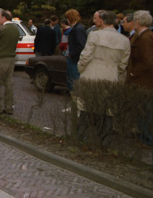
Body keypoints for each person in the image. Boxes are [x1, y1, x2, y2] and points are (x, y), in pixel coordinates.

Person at [77, 11, 131, 145]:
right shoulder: (124, 40)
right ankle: (105, 141)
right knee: (108, 110)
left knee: (87, 108)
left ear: (103, 21)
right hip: (111, 75)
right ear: (115, 22)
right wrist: (114, 72)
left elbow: (86, 55)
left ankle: (83, 139)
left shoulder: (95, 35)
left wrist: (81, 68)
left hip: (92, 72)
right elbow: (123, 64)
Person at [125, 10, 153, 146]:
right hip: (144, 80)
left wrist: (132, 74)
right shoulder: (144, 36)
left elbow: (147, 61)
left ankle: (146, 139)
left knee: (144, 110)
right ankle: (143, 136)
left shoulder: (145, 38)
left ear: (138, 22)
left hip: (143, 81)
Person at [0, 10, 20, 115]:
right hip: (11, 58)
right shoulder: (16, 29)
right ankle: (8, 108)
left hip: (1, 58)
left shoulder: (1, 29)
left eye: (0, 17)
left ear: (4, 18)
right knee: (9, 83)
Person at [64, 9, 87, 91]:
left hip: (74, 60)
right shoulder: (78, 28)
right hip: (74, 58)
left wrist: (71, 54)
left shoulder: (77, 29)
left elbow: (81, 45)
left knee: (73, 84)